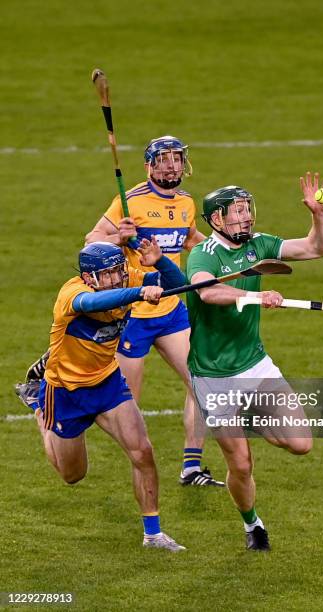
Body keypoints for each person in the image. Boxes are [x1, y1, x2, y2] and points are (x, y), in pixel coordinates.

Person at [186, 172, 323, 551]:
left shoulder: (260, 245)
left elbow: (317, 249)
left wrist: (318, 214)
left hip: (255, 366)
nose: (246, 217)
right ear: (216, 220)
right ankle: (252, 525)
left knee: (301, 443)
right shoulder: (205, 254)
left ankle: (251, 418)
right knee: (242, 466)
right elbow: (207, 292)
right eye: (237, 212)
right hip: (213, 376)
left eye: (247, 209)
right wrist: (255, 295)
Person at [25, 239, 187, 551]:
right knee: (73, 475)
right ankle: (37, 405)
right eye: (109, 273)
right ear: (89, 278)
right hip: (66, 392)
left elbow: (178, 285)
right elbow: (91, 305)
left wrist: (160, 263)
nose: (118, 277)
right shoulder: (72, 293)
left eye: (119, 270)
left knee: (142, 451)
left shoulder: (129, 279)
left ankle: (153, 534)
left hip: (108, 382)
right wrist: (140, 293)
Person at [84, 135, 223, 487]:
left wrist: (226, 250)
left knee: (203, 383)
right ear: (150, 165)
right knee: (121, 406)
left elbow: (192, 240)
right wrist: (119, 237)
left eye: (177, 158)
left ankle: (191, 467)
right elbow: (91, 242)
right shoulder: (129, 202)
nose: (172, 164)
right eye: (164, 159)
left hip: (172, 309)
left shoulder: (187, 203)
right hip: (133, 315)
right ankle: (54, 400)